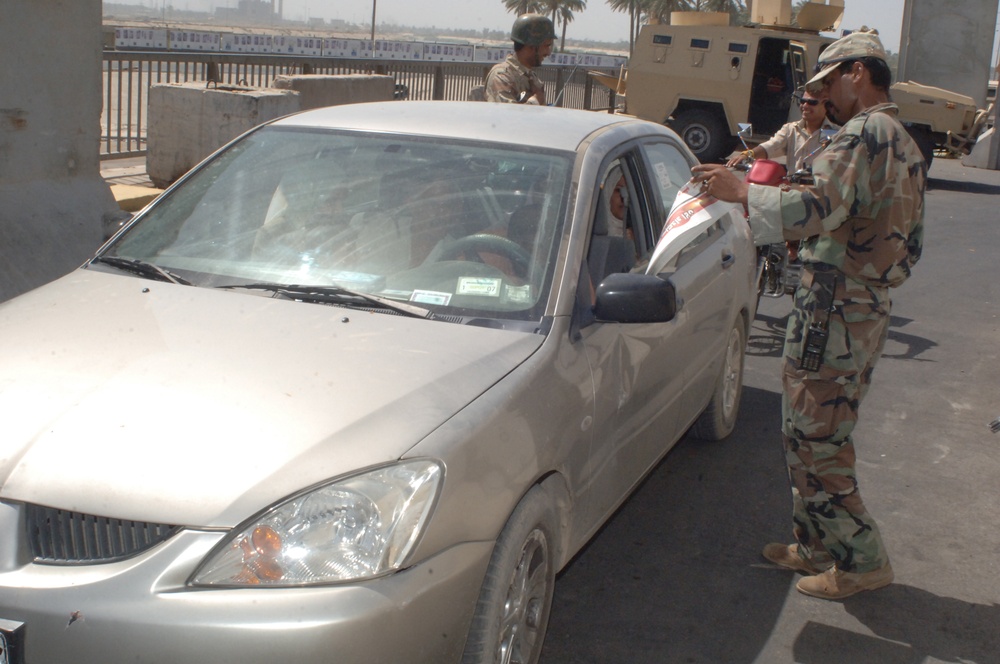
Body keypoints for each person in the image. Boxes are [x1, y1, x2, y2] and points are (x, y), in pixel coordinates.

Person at [690, 29, 926, 600]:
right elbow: (907, 244)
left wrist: (741, 189)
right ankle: (819, 544)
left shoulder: (861, 134)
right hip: (862, 305)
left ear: (857, 74)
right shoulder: (905, 143)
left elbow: (816, 207)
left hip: (836, 308)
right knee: (810, 429)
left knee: (816, 436)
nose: (826, 96)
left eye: (830, 82)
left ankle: (861, 556)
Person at [726, 89, 838, 170]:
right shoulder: (790, 129)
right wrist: (747, 154)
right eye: (802, 101)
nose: (805, 106)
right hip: (792, 190)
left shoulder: (838, 134)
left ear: (826, 106)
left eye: (812, 102)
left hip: (820, 194)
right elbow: (771, 147)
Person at [484, 14, 555, 105]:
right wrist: (535, 101)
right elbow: (507, 115)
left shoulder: (532, 78)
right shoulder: (502, 76)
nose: (548, 53)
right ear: (531, 46)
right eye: (546, 46)